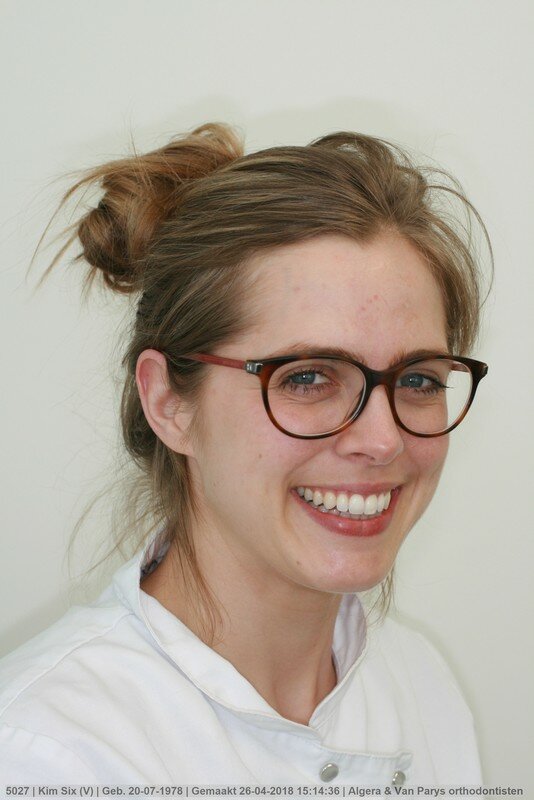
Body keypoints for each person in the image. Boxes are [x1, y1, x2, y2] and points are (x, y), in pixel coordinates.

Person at [0, 123, 491, 788]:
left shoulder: (420, 686)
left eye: (419, 380)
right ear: (168, 402)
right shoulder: (47, 754)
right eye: (308, 378)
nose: (382, 440)